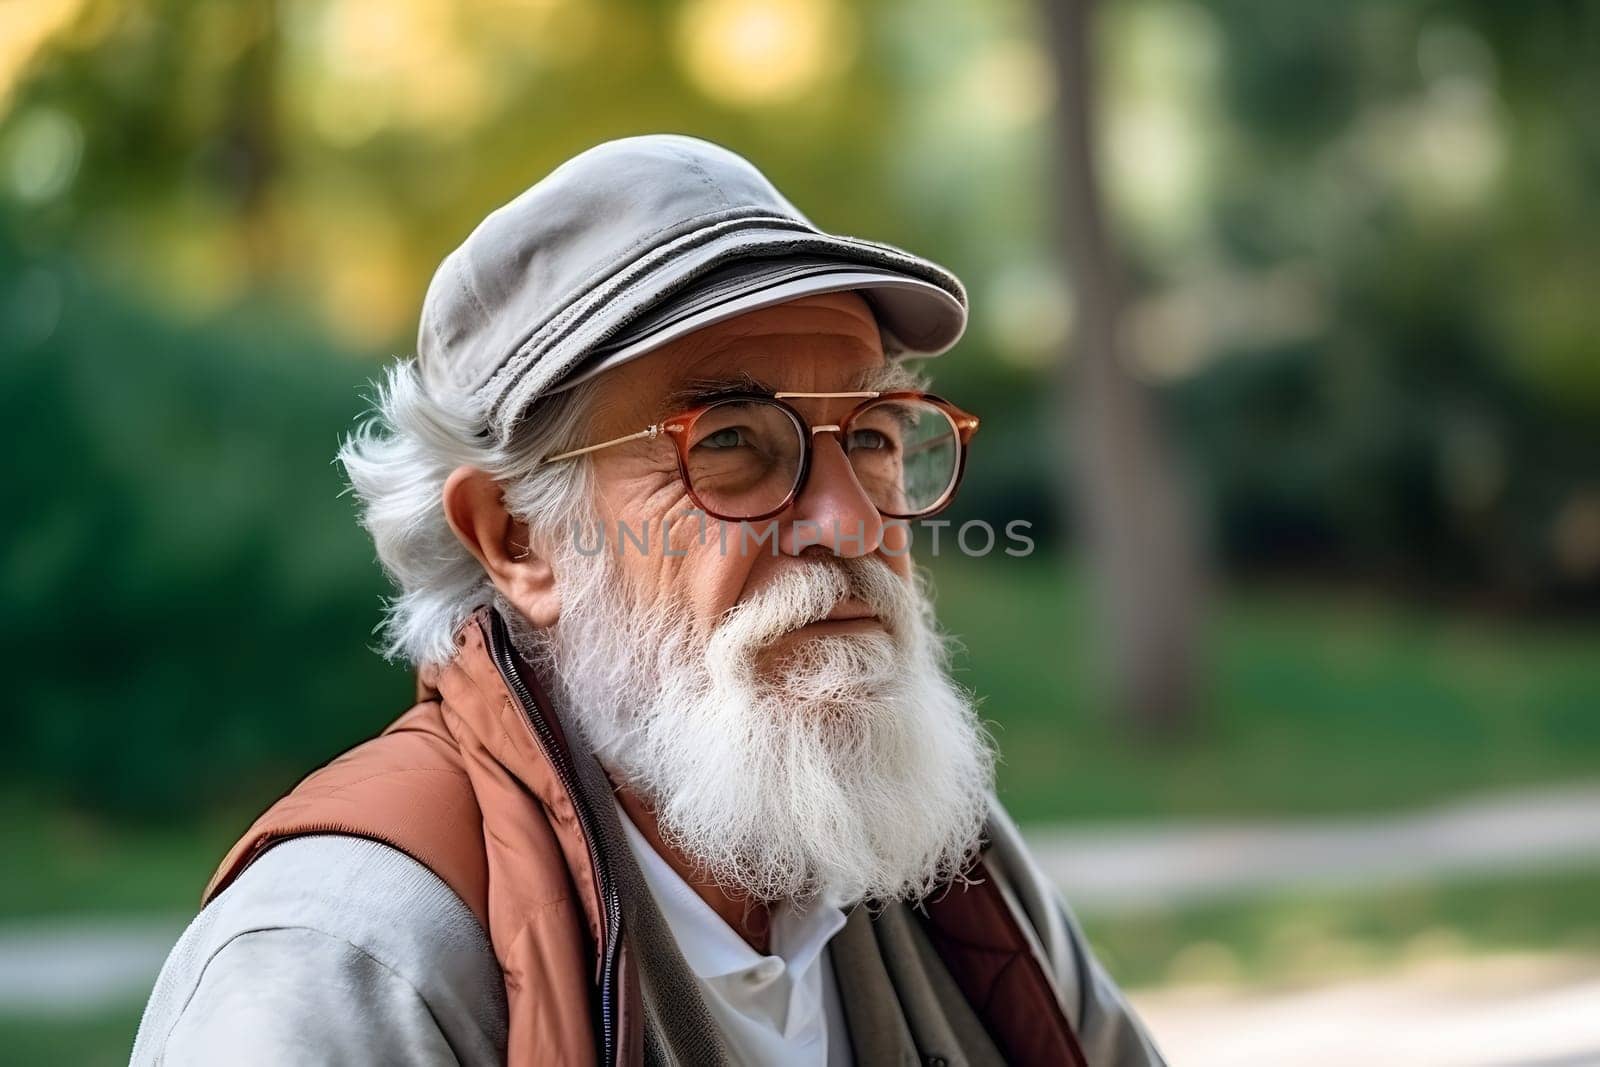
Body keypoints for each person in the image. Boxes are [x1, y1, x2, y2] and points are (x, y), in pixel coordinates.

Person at [132, 134, 1165, 1066]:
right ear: (516, 538)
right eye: (729, 441)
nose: (851, 524)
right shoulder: (346, 960)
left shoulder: (936, 859)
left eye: (874, 436)